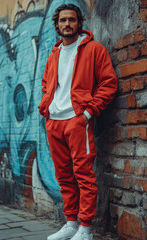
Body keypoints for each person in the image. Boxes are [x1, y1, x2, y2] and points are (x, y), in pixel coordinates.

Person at [38, 3, 118, 240]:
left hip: (77, 121)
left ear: (79, 22)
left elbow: (109, 83)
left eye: (71, 20)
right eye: (63, 20)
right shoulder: (53, 56)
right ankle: (71, 223)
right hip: (54, 122)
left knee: (83, 174)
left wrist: (87, 114)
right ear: (57, 24)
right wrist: (46, 107)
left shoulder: (94, 50)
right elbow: (46, 85)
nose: (67, 24)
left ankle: (85, 229)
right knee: (63, 175)